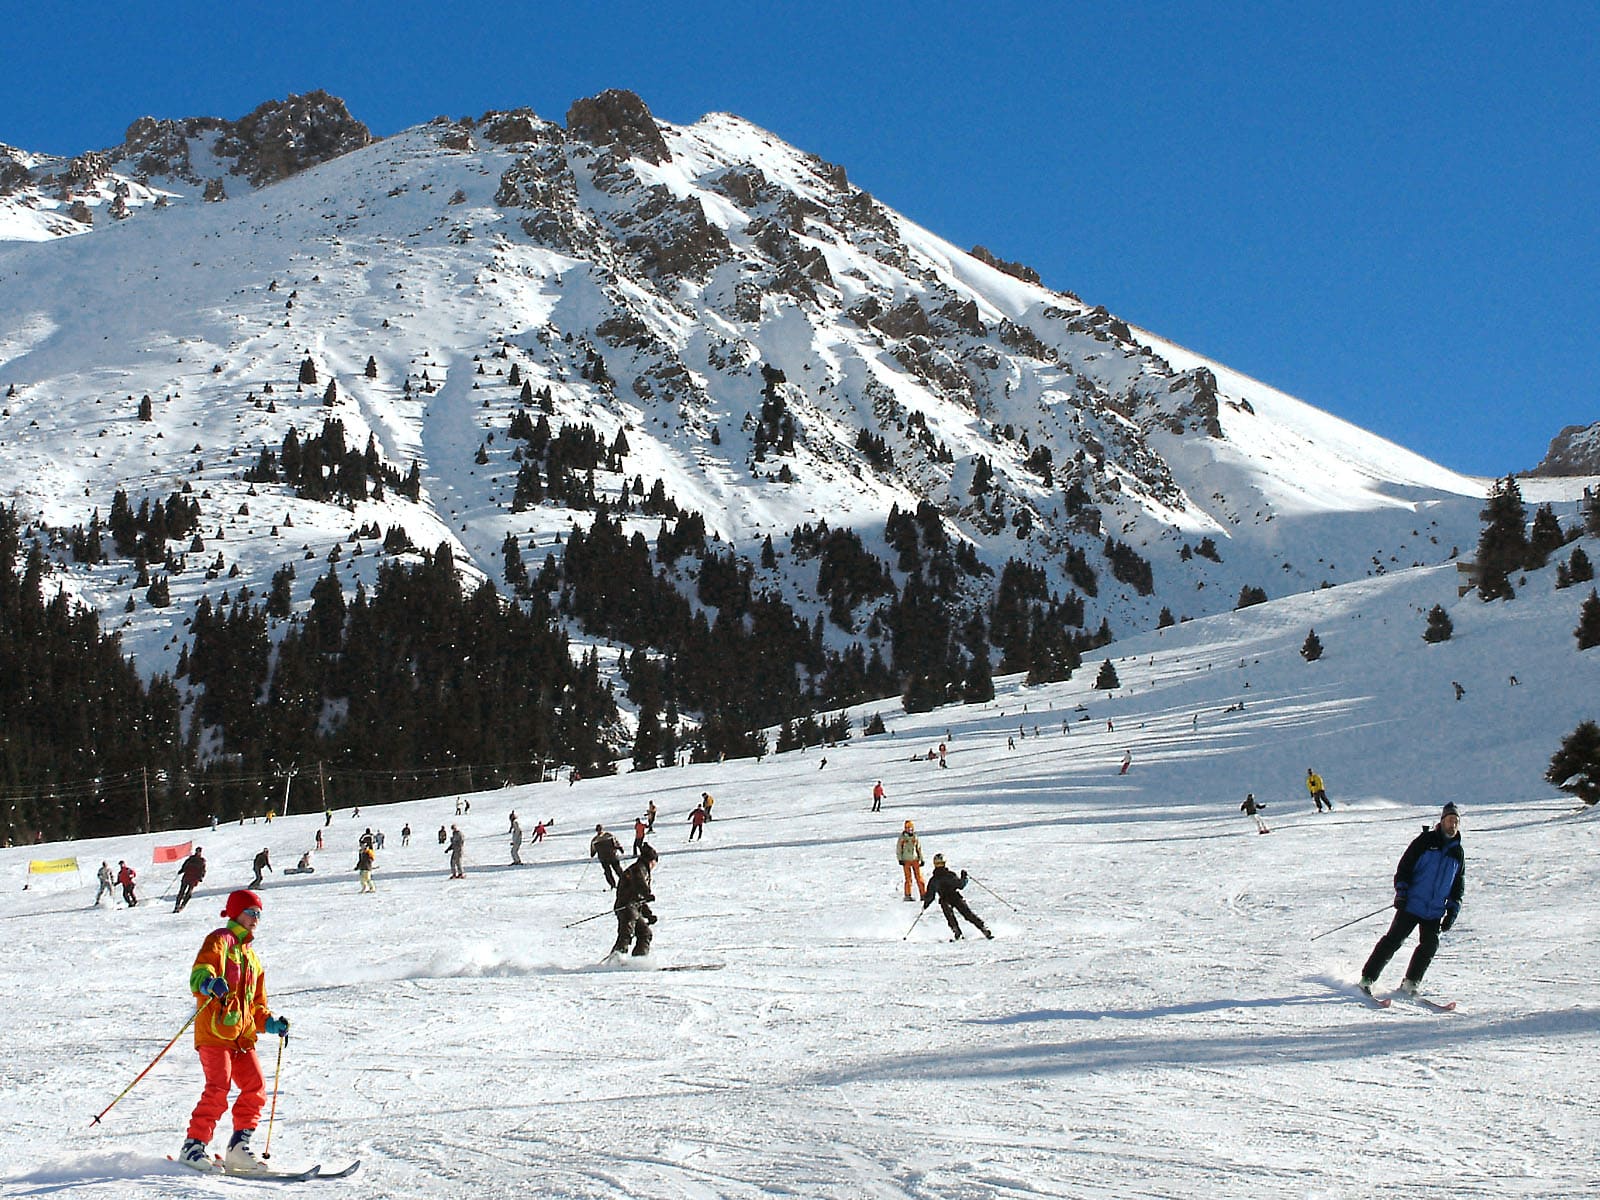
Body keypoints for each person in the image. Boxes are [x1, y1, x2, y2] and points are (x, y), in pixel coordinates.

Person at [177, 889, 289, 1174]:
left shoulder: (252, 959)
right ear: (236, 912)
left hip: (242, 1036)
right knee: (218, 1088)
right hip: (215, 1033)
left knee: (255, 1088)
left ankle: (239, 1147)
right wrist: (208, 984)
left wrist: (271, 1023)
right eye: (251, 912)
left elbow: (256, 1004)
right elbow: (199, 973)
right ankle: (193, 1146)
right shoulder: (220, 941)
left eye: (259, 914)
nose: (256, 919)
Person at [1359, 803, 1465, 997]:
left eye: (1456, 822)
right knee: (1393, 941)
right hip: (1412, 904)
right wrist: (1401, 892)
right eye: (1450, 820)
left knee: (1429, 946)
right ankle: (1368, 978)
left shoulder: (1457, 852)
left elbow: (1458, 884)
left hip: (1434, 910)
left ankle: (1411, 983)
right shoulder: (1425, 841)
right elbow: (1405, 867)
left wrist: (1452, 910)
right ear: (1442, 821)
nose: (1453, 825)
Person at [922, 854, 992, 940]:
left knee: (958, 915)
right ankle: (966, 930)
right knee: (960, 914)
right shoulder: (943, 876)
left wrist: (926, 903)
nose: (939, 866)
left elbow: (930, 895)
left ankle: (965, 930)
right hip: (950, 898)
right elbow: (960, 885)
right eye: (938, 864)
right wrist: (964, 877)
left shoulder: (938, 878)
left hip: (950, 898)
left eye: (940, 864)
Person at [610, 843, 658, 958]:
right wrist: (647, 894)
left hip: (633, 907)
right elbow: (639, 884)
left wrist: (648, 914)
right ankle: (616, 960)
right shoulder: (638, 869)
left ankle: (639, 959)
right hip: (626, 906)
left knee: (645, 933)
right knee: (626, 934)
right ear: (651, 861)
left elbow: (639, 897)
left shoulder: (642, 869)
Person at [896, 821, 925, 901]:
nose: (909, 830)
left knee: (919, 878)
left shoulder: (915, 837)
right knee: (908, 879)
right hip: (906, 860)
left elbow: (918, 849)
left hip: (915, 859)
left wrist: (921, 859)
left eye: (910, 828)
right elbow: (899, 849)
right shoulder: (902, 838)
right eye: (907, 828)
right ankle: (907, 895)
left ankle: (923, 894)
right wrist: (900, 859)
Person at [175, 847, 207, 913]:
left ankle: (182, 905)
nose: (198, 852)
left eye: (199, 851)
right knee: (181, 891)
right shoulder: (191, 859)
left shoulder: (201, 861)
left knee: (189, 893)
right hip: (187, 877)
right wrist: (181, 870)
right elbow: (185, 865)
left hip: (193, 879)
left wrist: (201, 877)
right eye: (197, 851)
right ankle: (177, 905)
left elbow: (203, 870)